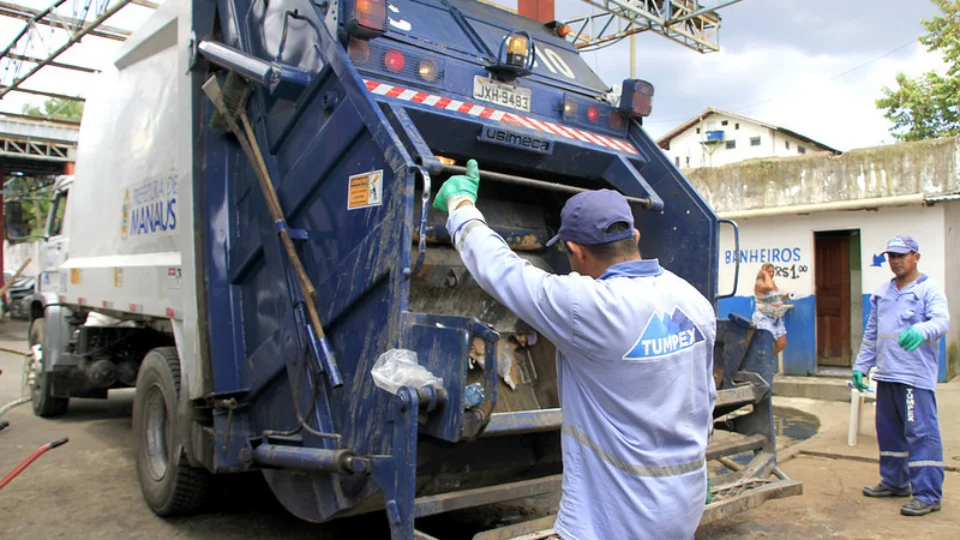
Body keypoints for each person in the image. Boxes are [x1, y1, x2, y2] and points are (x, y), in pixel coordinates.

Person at [433, 159, 717, 539]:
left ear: (575, 250)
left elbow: (501, 270)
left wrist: (461, 206)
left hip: (614, 520)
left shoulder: (589, 308)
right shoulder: (693, 301)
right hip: (683, 502)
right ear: (634, 236)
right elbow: (704, 400)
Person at [852, 235, 950, 517]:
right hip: (887, 375)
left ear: (915, 257)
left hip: (914, 378)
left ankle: (928, 494)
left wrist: (921, 330)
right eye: (891, 256)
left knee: (921, 434)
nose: (895, 261)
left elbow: (942, 321)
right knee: (889, 432)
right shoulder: (882, 293)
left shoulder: (929, 290)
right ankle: (894, 482)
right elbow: (872, 334)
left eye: (901, 255)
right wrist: (861, 366)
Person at [753, 263, 790, 355]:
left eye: (773, 272)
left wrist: (787, 296)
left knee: (782, 343)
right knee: (768, 343)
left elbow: (775, 297)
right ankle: (763, 361)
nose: (772, 274)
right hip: (764, 316)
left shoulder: (771, 282)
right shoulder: (760, 283)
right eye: (769, 272)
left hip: (775, 317)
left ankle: (767, 360)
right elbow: (769, 287)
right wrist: (764, 273)